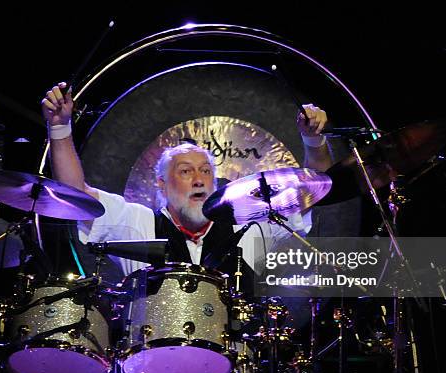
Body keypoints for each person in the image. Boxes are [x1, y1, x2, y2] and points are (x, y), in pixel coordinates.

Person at [41, 82, 332, 280]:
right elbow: (74, 194)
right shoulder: (136, 223)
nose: (198, 180)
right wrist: (59, 127)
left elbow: (311, 188)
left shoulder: (251, 231)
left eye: (206, 171)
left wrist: (313, 138)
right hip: (149, 364)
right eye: (185, 171)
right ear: (160, 184)